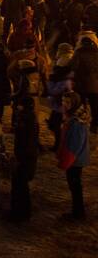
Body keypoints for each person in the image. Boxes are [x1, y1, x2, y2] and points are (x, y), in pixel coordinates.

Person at [59, 90, 90, 221]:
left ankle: (78, 213)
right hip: (76, 157)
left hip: (75, 159)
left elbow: (75, 144)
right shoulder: (73, 117)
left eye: (68, 102)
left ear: (74, 103)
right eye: (63, 101)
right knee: (74, 185)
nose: (64, 104)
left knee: (75, 185)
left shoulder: (77, 122)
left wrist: (67, 159)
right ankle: (77, 211)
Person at [9, 95, 39, 223]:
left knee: (19, 185)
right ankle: (22, 212)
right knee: (21, 185)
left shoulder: (25, 120)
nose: (16, 106)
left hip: (25, 158)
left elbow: (25, 141)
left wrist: (19, 158)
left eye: (19, 105)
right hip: (27, 157)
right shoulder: (29, 118)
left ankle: (18, 214)